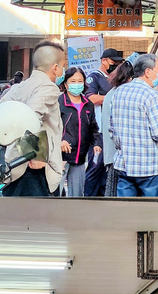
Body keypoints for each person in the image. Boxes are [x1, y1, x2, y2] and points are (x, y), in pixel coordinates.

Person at [2, 40, 65, 196]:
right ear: (55, 68)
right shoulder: (49, 87)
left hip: (14, 164)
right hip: (35, 169)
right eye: (63, 66)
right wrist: (35, 154)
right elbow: (30, 116)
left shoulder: (19, 87)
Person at [108, 54, 158, 197]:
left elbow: (112, 130)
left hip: (124, 163)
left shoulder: (119, 92)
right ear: (148, 72)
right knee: (151, 208)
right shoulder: (150, 95)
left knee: (127, 208)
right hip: (149, 166)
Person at [81, 49, 123, 195]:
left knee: (107, 167)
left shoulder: (115, 79)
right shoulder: (94, 77)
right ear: (104, 60)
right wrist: (111, 97)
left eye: (118, 63)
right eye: (113, 62)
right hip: (98, 130)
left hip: (111, 129)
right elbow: (90, 98)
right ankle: (88, 197)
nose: (115, 65)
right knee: (95, 166)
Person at [58, 68, 101, 197]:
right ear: (66, 84)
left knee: (77, 195)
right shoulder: (59, 103)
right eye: (73, 81)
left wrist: (97, 144)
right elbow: (52, 127)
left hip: (80, 158)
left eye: (80, 81)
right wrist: (60, 140)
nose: (76, 84)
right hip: (61, 157)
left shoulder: (88, 104)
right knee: (55, 193)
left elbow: (93, 128)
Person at [101, 58, 135, 197]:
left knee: (113, 192)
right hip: (120, 155)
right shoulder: (122, 95)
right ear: (130, 78)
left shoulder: (112, 93)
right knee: (117, 194)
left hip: (111, 153)